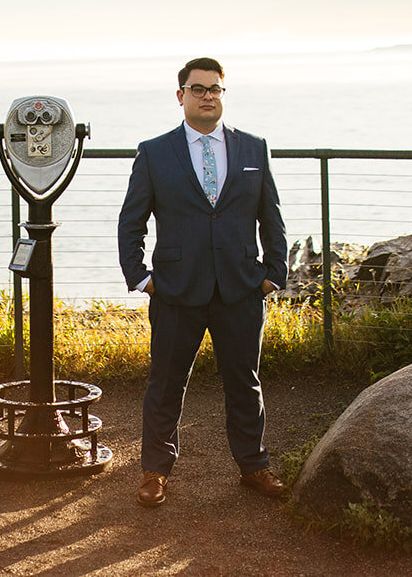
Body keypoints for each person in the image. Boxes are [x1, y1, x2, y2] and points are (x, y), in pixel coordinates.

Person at [116, 57, 288, 507]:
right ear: (181, 96)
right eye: (198, 89)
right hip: (175, 290)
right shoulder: (154, 152)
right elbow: (131, 221)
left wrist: (274, 275)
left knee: (244, 382)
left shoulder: (254, 148)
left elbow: (271, 217)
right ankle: (155, 471)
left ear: (223, 95)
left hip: (241, 288)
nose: (207, 96)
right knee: (165, 383)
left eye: (215, 89)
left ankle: (254, 465)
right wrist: (141, 278)